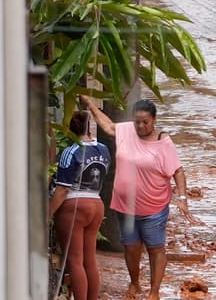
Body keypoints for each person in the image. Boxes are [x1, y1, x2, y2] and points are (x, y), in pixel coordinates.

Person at [82, 97, 192, 300]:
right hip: (125, 206)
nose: (140, 126)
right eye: (137, 121)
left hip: (154, 207)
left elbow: (178, 171)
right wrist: (90, 105)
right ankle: (134, 283)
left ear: (154, 121)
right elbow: (108, 126)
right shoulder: (126, 131)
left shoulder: (163, 142)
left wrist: (182, 198)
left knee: (155, 248)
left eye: (145, 122)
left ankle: (154, 291)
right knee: (131, 247)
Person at [50, 110, 111, 300]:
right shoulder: (103, 149)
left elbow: (62, 189)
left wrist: (47, 214)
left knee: (75, 261)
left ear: (70, 129)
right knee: (89, 260)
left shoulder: (70, 151)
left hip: (75, 205)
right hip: (96, 203)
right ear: (90, 127)